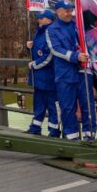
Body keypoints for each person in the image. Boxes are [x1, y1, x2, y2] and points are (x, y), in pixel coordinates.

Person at [46, 0, 94, 141]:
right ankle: (71, 139)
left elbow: (89, 43)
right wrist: (75, 56)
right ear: (58, 11)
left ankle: (90, 137)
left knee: (88, 106)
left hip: (83, 71)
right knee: (67, 108)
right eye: (66, 10)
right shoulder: (52, 29)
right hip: (65, 74)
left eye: (71, 10)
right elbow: (55, 49)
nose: (69, 13)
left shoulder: (77, 25)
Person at [25, 9, 60, 137]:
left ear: (49, 20)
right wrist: (29, 47)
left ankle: (54, 131)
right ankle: (35, 128)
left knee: (52, 105)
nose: (38, 19)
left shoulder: (51, 32)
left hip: (49, 77)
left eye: (41, 18)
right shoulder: (39, 32)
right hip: (39, 78)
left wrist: (35, 64)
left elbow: (49, 55)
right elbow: (37, 51)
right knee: (38, 104)